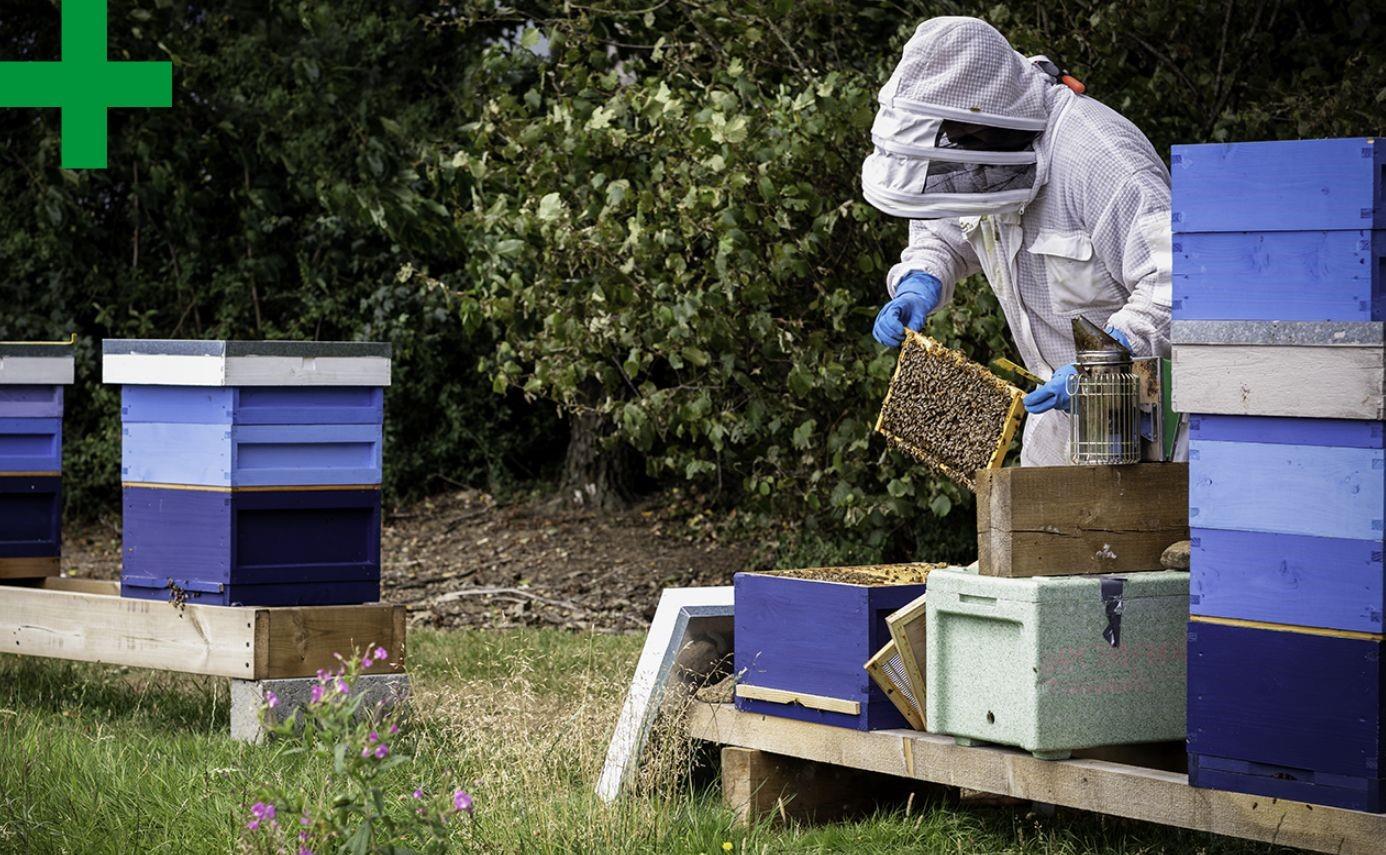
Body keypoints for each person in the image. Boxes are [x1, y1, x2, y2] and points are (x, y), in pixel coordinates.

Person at [863, 16, 1173, 466]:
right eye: (952, 139)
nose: (963, 156)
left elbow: (1174, 283)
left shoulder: (1102, 158)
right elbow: (943, 231)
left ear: (997, 109)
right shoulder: (981, 151)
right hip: (1060, 418)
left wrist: (1101, 366)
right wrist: (920, 282)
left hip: (1149, 424)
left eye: (967, 136)